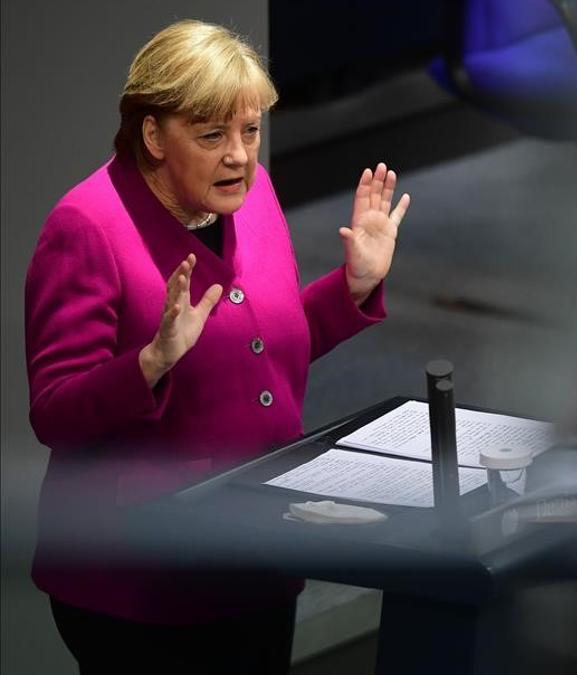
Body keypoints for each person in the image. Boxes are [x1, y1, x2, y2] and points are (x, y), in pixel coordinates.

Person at [24, 20, 409, 674]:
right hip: (141, 583)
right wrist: (149, 363)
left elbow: (268, 344)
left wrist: (355, 284)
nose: (239, 155)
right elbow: (53, 411)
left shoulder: (250, 195)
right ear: (153, 135)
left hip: (257, 556)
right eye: (212, 135)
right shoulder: (86, 227)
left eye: (250, 130)